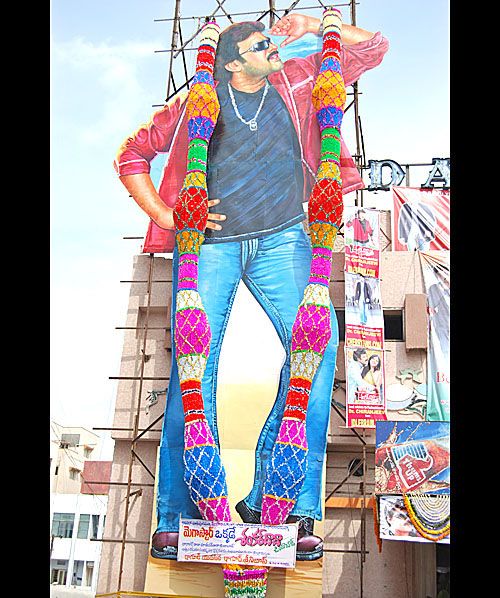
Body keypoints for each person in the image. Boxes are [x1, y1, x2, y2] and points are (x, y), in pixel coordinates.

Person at [114, 12, 389, 562]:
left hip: (286, 237)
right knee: (193, 367)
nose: (273, 48)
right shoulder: (197, 101)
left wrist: (317, 22)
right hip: (210, 243)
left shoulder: (300, 78)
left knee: (318, 347)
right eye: (261, 45)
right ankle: (180, 515)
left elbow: (375, 47)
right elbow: (131, 155)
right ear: (233, 62)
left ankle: (283, 503)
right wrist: (167, 215)